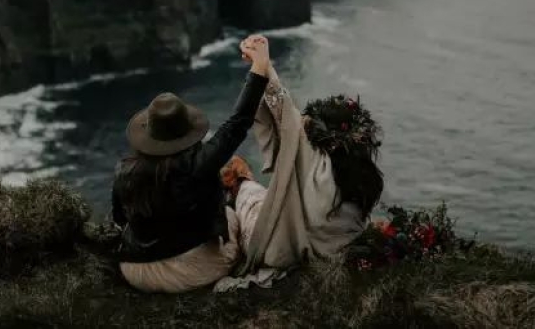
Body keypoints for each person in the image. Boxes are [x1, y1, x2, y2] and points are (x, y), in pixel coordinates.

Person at [215, 35, 384, 291]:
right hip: (334, 248)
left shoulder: (313, 160)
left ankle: (239, 182)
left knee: (248, 193)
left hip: (282, 248)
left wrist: (262, 64)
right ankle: (240, 180)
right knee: (264, 195)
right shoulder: (365, 176)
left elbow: (284, 110)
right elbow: (290, 118)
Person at [111, 37, 271, 293]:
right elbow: (237, 123)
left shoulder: (123, 170)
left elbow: (120, 219)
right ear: (186, 132)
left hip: (136, 270)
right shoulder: (197, 166)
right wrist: (260, 66)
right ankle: (242, 188)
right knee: (232, 215)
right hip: (190, 271)